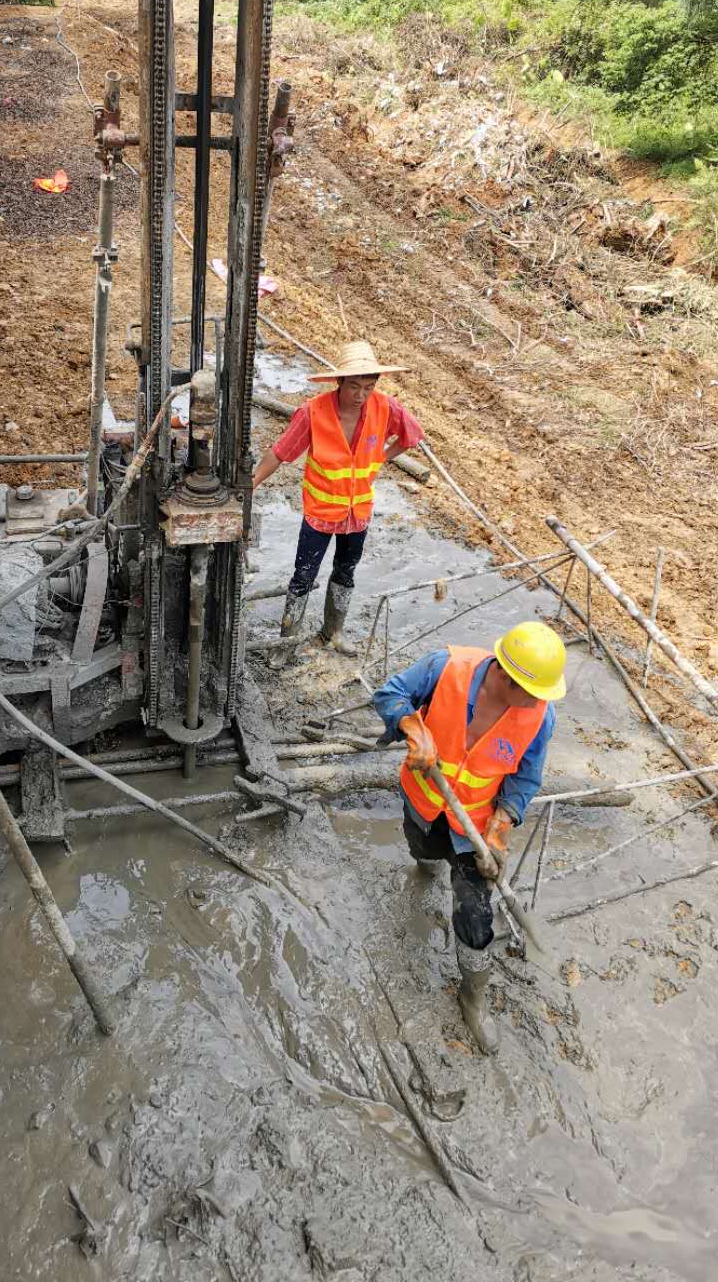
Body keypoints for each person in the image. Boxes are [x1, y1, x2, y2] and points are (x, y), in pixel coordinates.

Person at [373, 621, 566, 1055]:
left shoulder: (540, 716)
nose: (537, 703)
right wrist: (412, 728)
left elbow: (525, 777)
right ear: (503, 674)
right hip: (423, 803)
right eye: (532, 693)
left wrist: (500, 829)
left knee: (476, 916)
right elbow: (389, 693)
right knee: (422, 852)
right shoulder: (445, 668)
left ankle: (473, 996)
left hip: (472, 828)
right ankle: (424, 864)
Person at [252, 340, 423, 653]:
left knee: (346, 571)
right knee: (303, 575)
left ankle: (333, 632)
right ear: (339, 382)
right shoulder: (313, 412)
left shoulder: (385, 407)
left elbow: (412, 435)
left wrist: (383, 456)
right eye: (354, 386)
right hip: (321, 512)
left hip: (357, 513)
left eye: (368, 387)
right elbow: (280, 453)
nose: (361, 396)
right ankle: (285, 643)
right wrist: (252, 484)